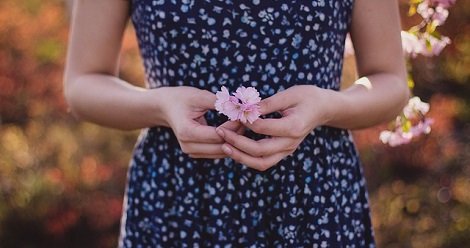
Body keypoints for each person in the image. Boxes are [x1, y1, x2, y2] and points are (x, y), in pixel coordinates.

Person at [64, 0, 409, 247]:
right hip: (179, 196)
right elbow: (83, 84)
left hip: (312, 197)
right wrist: (159, 105)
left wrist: (329, 105)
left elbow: (389, 82)